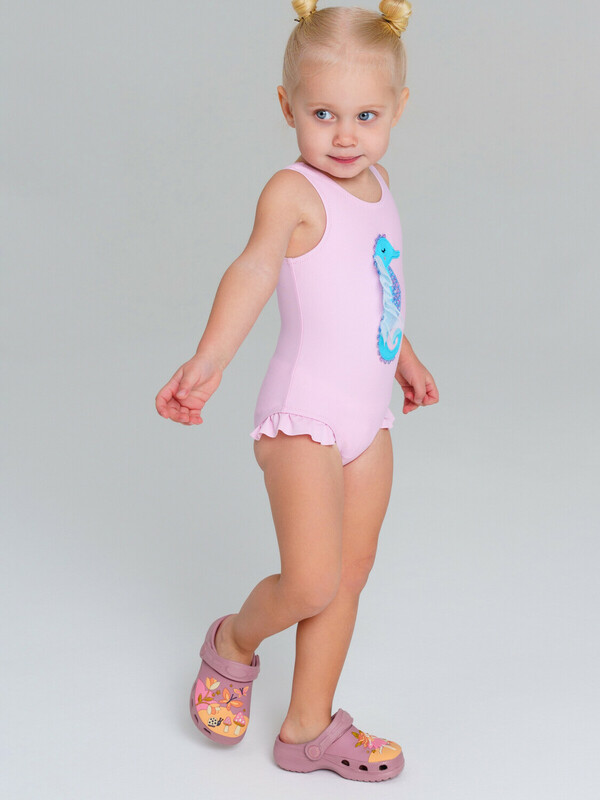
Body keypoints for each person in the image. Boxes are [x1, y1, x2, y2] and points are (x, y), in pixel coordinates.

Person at [155, 0, 438, 783]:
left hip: (368, 418)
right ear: (288, 107)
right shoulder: (292, 192)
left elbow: (374, 289)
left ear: (398, 109)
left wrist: (404, 357)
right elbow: (253, 270)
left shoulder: (380, 185)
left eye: (365, 116)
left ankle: (308, 726)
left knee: (349, 576)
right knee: (310, 580)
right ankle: (233, 642)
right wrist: (210, 357)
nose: (345, 136)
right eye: (323, 114)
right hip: (303, 418)